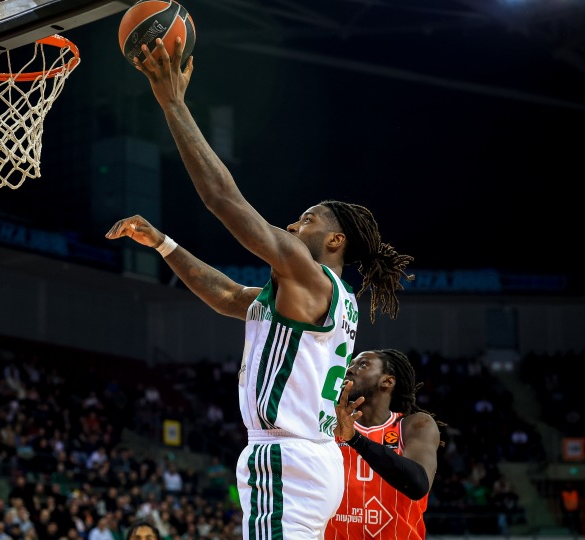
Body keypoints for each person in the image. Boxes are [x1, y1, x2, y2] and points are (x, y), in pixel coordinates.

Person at [107, 37, 414, 538]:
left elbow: (223, 199)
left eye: (307, 219)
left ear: (335, 240)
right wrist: (163, 244)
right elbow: (229, 296)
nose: (293, 226)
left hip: (287, 458)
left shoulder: (308, 276)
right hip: (309, 460)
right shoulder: (318, 299)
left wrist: (173, 104)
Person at [327, 350, 443, 540]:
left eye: (363, 364)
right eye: (350, 363)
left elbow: (417, 485)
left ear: (387, 381)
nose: (350, 369)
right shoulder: (328, 424)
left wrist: (355, 439)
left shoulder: (414, 425)